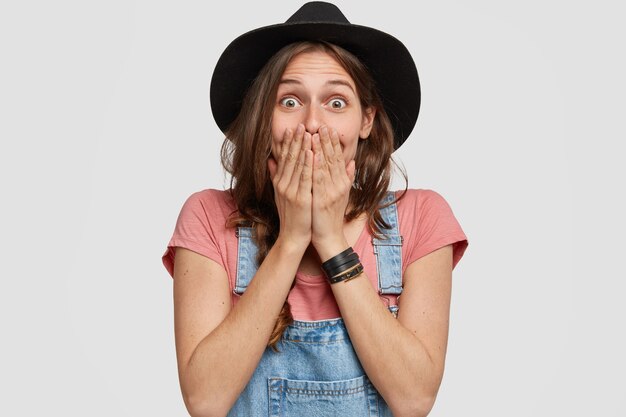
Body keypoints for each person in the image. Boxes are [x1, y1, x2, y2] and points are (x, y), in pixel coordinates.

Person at [162, 2, 468, 416]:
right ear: (262, 118)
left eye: (336, 103)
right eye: (289, 101)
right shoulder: (207, 217)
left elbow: (414, 399)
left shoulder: (422, 218)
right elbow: (205, 401)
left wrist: (329, 239)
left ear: (367, 121)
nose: (311, 124)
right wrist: (292, 239)